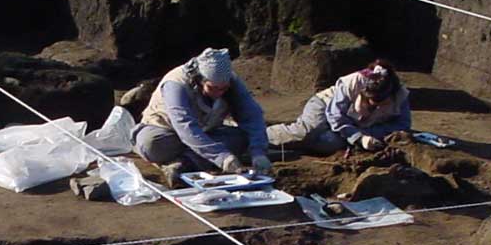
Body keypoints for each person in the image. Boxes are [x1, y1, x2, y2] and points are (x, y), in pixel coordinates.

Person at [132, 47, 273, 189]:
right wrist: (222, 157)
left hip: (206, 133)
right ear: (199, 80)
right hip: (166, 132)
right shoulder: (176, 84)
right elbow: (185, 127)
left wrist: (258, 152)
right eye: (213, 88)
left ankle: (182, 163)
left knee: (242, 138)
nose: (219, 93)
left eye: (223, 89)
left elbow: (251, 115)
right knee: (150, 144)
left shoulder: (232, 82)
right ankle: (194, 159)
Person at [267, 60, 411, 155]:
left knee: (328, 143)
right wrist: (358, 138)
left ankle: (300, 143)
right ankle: (258, 135)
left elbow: (402, 124)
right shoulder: (351, 82)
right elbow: (335, 115)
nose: (373, 103)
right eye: (370, 99)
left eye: (379, 100)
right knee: (307, 132)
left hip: (356, 124)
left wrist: (369, 134)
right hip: (325, 105)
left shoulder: (400, 96)